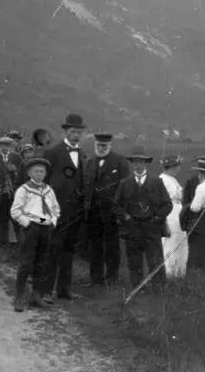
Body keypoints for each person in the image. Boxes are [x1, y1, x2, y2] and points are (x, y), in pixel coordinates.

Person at [41, 114, 88, 302]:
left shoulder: (84, 155)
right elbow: (44, 182)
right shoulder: (52, 153)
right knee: (52, 249)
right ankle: (45, 290)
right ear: (65, 132)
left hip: (75, 211)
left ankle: (64, 288)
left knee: (69, 250)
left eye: (79, 132)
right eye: (73, 132)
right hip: (56, 210)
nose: (76, 135)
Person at [116, 146, 171, 290]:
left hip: (152, 227)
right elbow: (116, 206)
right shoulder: (125, 184)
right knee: (134, 260)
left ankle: (159, 289)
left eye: (141, 161)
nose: (138, 164)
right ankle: (138, 288)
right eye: (135, 161)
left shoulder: (157, 183)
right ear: (132, 163)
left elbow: (168, 205)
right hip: (133, 228)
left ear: (146, 163)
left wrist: (157, 217)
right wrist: (126, 217)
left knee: (155, 259)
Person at [10, 155, 60, 312]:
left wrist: (52, 222)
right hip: (31, 228)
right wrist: (27, 223)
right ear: (29, 173)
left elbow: (55, 209)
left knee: (42, 262)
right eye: (36, 171)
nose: (40, 174)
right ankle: (19, 296)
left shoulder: (48, 190)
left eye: (42, 171)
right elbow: (15, 211)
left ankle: (36, 295)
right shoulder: (24, 190)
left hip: (46, 228)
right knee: (26, 262)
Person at [83, 131, 129, 288]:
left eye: (104, 145)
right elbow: (86, 186)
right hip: (93, 211)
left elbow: (125, 187)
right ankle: (95, 279)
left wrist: (120, 209)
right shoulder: (89, 161)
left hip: (111, 212)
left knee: (112, 246)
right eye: (99, 145)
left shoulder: (119, 161)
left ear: (110, 145)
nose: (101, 148)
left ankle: (112, 278)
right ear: (95, 144)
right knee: (94, 246)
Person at [158, 155, 188, 278]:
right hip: (169, 215)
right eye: (176, 166)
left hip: (178, 214)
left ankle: (180, 272)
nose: (178, 168)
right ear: (171, 166)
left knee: (180, 243)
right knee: (170, 244)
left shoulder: (173, 179)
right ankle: (169, 273)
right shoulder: (162, 179)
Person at [0, 136, 21, 248]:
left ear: (10, 146)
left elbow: (22, 173)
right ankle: (3, 242)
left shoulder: (17, 158)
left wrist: (15, 170)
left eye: (6, 145)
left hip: (14, 192)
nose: (4, 147)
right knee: (2, 217)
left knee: (16, 217)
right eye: (2, 145)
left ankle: (19, 241)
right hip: (1, 193)